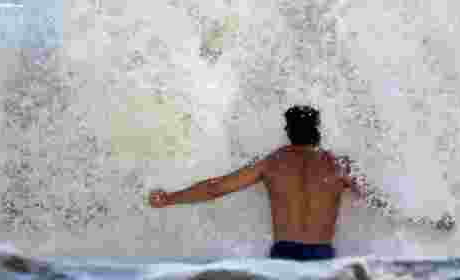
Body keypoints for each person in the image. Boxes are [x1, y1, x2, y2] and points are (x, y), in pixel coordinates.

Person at [148, 105, 359, 261]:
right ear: (318, 128)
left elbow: (216, 188)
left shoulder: (271, 163)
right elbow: (373, 198)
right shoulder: (339, 164)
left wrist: (169, 198)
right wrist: (391, 212)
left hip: (284, 254)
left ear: (287, 130)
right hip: (322, 253)